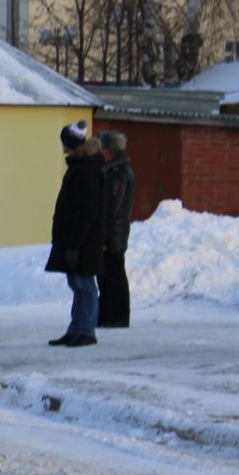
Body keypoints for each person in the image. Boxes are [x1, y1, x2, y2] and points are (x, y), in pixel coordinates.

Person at [46, 121, 107, 347]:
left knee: (85, 285)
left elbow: (87, 211)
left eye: (64, 142)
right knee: (78, 283)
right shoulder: (81, 166)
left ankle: (86, 330)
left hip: (83, 240)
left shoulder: (86, 170)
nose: (62, 146)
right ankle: (76, 329)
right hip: (78, 239)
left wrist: (75, 244)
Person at [97, 130, 136, 329]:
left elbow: (112, 209)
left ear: (111, 151)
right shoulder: (111, 172)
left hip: (114, 235)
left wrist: (104, 237)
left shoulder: (119, 175)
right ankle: (107, 315)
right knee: (105, 276)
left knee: (115, 276)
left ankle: (118, 316)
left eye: (104, 148)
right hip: (111, 233)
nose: (101, 152)